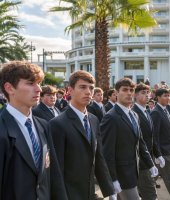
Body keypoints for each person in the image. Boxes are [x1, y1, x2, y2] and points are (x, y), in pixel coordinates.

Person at [0, 61, 67, 200]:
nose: (39, 89)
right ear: (9, 88)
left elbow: (53, 173)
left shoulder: (43, 125)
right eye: (31, 83)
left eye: (39, 83)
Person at [49, 70, 114, 200]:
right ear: (70, 90)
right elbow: (56, 169)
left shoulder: (94, 120)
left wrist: (109, 189)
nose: (88, 92)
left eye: (91, 88)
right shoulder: (57, 124)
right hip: (69, 193)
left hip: (90, 192)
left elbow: (98, 156)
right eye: (82, 87)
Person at [100, 78, 157, 200]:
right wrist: (113, 179)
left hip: (133, 171)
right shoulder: (111, 117)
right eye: (125, 90)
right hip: (121, 175)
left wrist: (150, 164)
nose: (129, 93)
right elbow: (107, 152)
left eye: (131, 90)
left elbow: (140, 142)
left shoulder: (134, 115)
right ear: (116, 93)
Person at [150, 88, 170, 200]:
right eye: (165, 96)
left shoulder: (165, 110)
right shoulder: (156, 112)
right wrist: (158, 154)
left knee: (154, 176)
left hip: (168, 148)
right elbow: (155, 136)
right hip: (162, 151)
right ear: (158, 97)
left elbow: (169, 130)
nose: (168, 98)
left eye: (168, 95)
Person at [132, 83, 159, 200]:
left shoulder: (147, 111)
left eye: (148, 92)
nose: (147, 95)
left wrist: (158, 154)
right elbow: (138, 140)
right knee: (150, 194)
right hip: (141, 161)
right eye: (143, 93)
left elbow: (151, 136)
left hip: (149, 156)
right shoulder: (133, 112)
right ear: (135, 95)